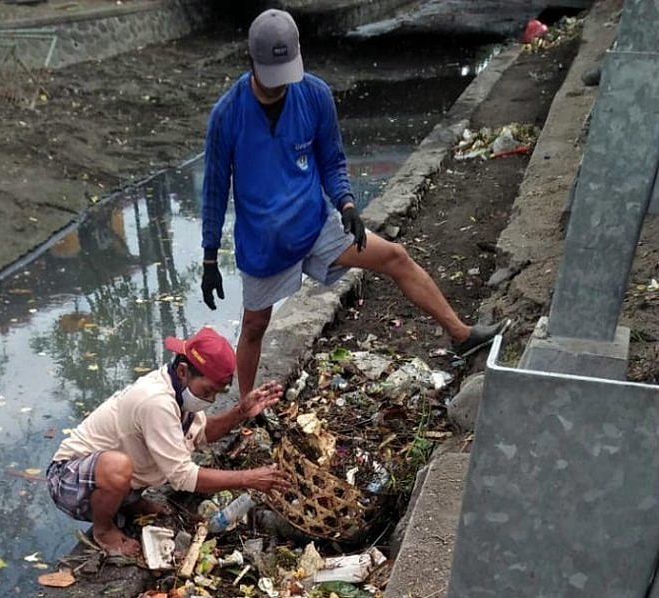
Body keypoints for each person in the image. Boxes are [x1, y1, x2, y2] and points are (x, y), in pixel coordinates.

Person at [200, 8, 507, 400]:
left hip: (315, 222)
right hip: (263, 242)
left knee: (395, 256)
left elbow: (332, 160)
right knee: (255, 326)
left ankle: (462, 335)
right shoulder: (227, 115)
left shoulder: (314, 95)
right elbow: (213, 190)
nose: (280, 86)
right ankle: (246, 407)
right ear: (252, 62)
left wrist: (346, 203)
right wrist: (210, 258)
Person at [47, 326, 290, 556]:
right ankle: (104, 530)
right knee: (117, 467)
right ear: (184, 371)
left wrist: (240, 412)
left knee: (124, 466)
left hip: (111, 478)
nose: (211, 399)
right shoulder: (157, 401)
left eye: (217, 393)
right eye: (207, 391)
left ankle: (129, 502)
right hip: (69, 480)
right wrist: (249, 479)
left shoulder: (178, 391)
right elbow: (182, 477)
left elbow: (204, 433)